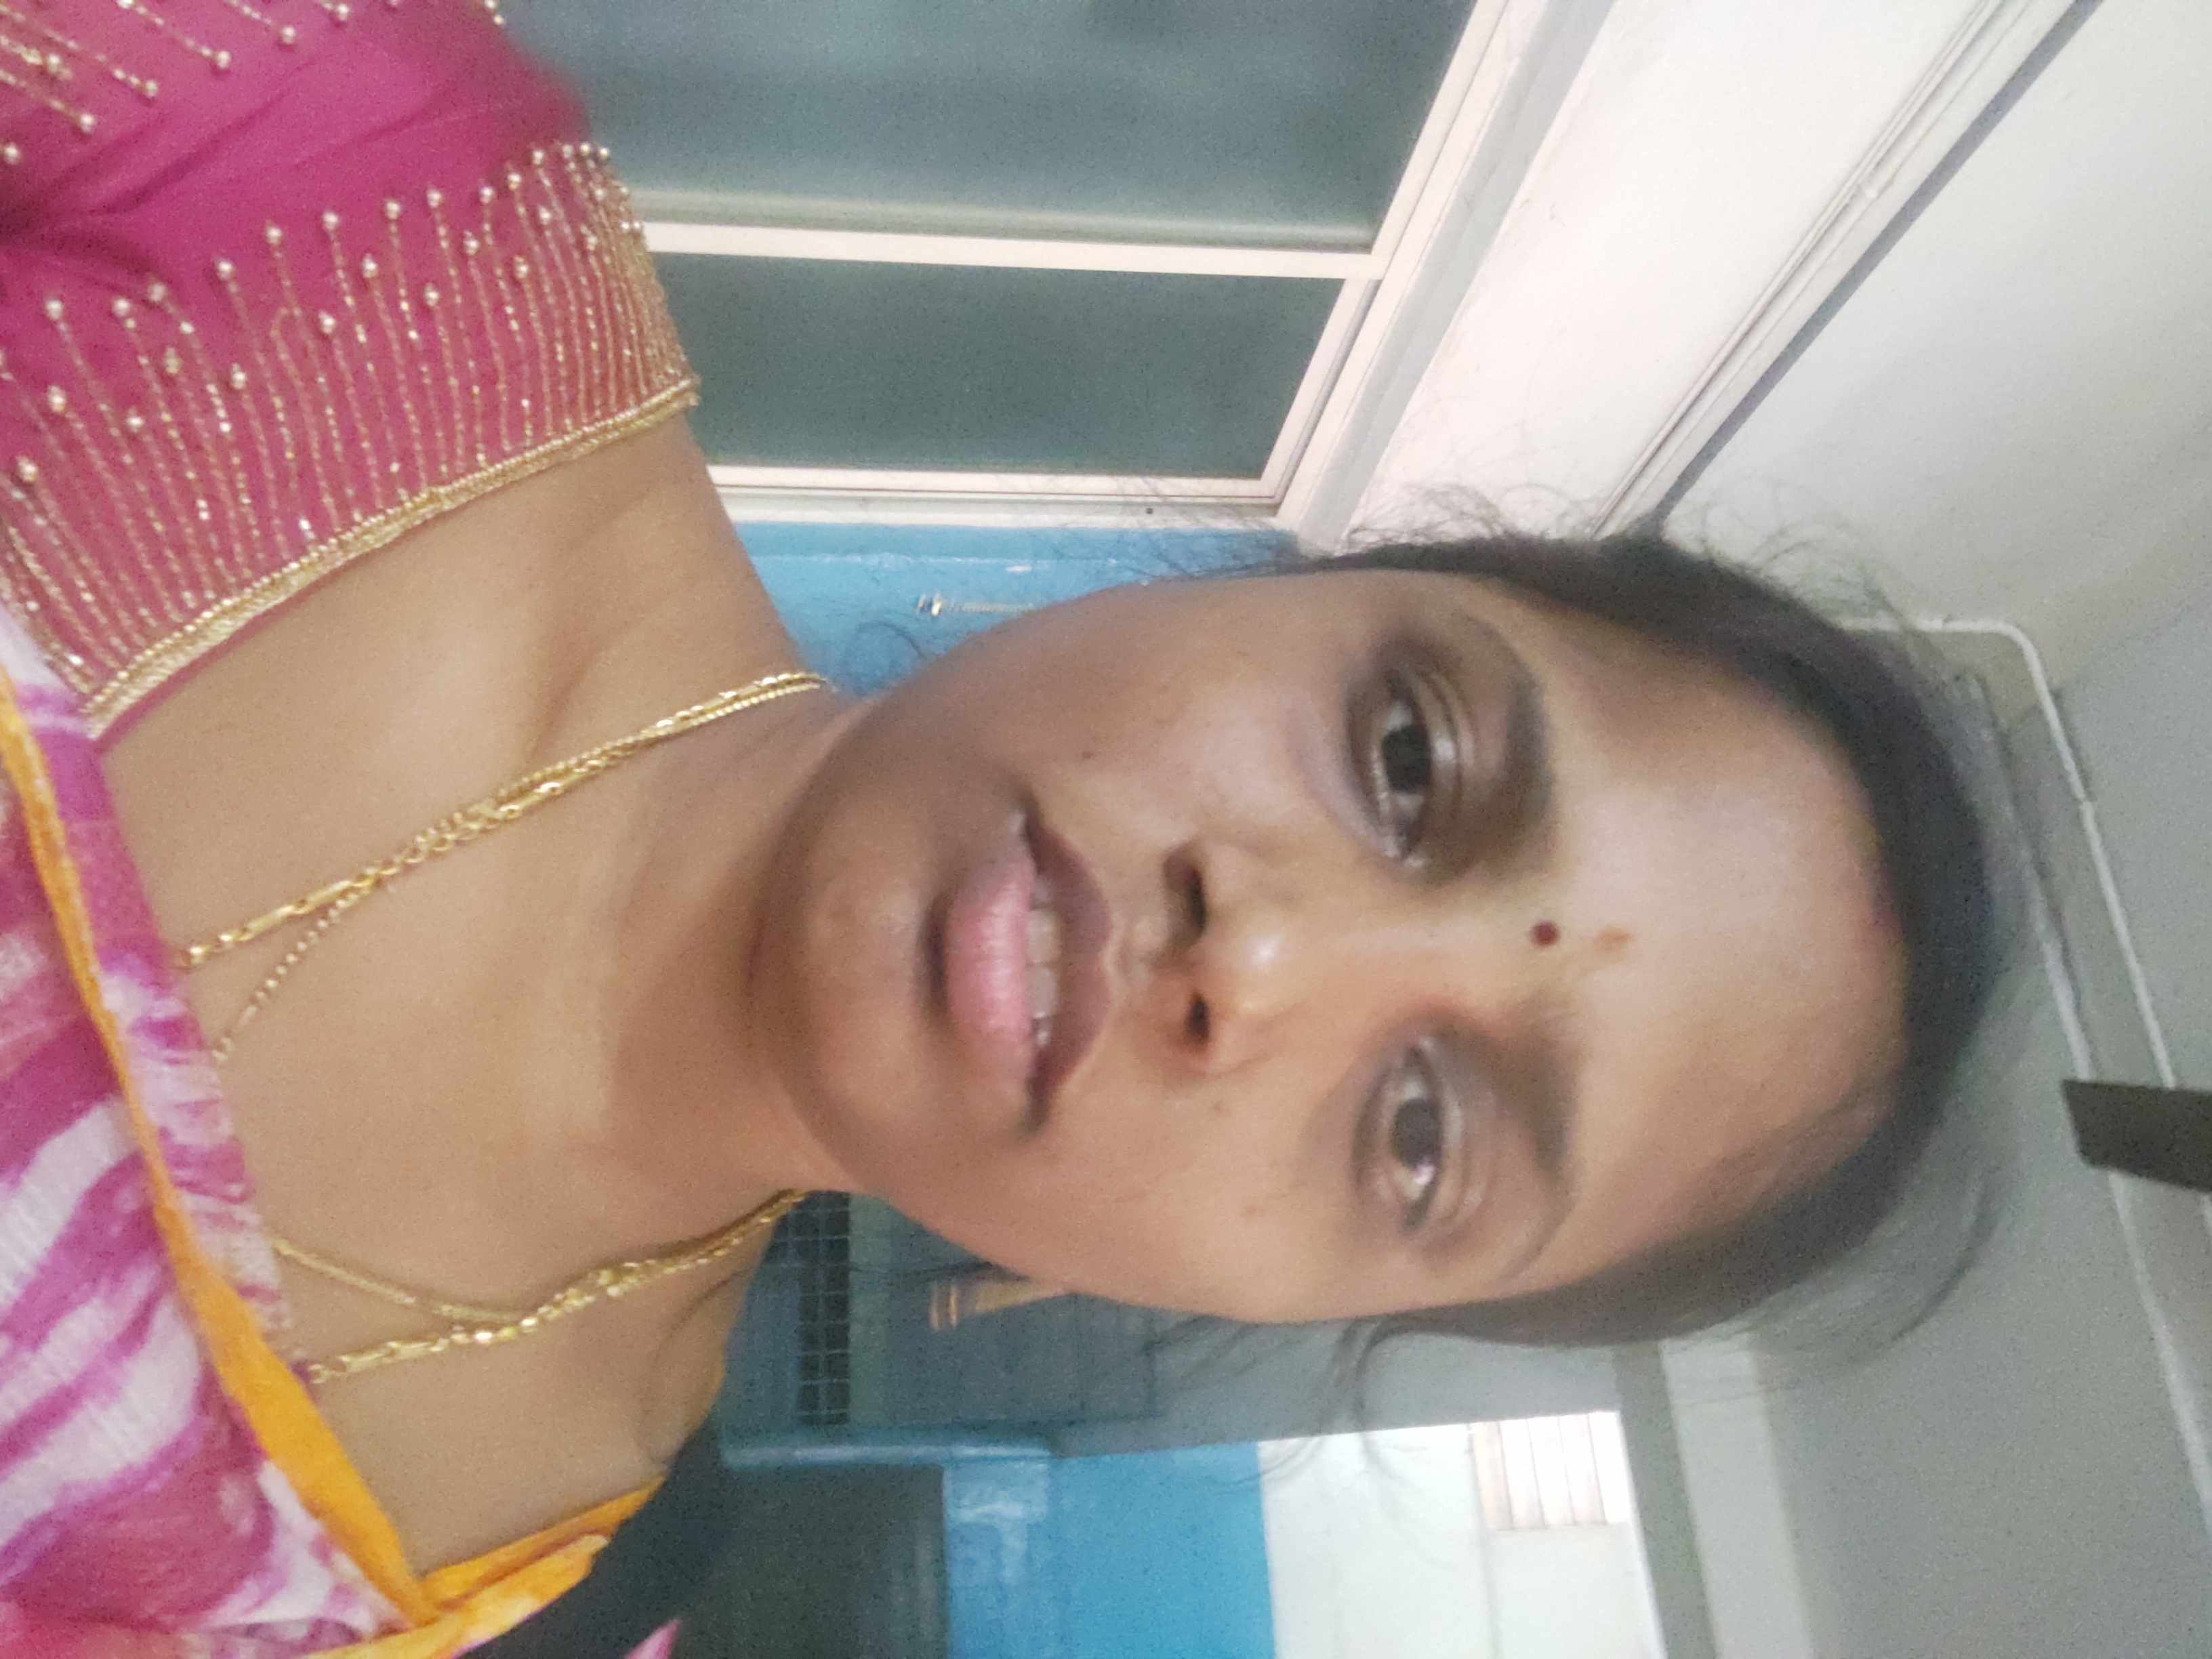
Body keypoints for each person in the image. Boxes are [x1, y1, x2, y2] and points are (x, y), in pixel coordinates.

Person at [0, 3, 1998, 1654]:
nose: (1258, 954)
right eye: (1409, 759)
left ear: (1294, 1307)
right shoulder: (298, 142)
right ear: (1291, 584)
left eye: (1421, 1133)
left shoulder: (504, 1609)